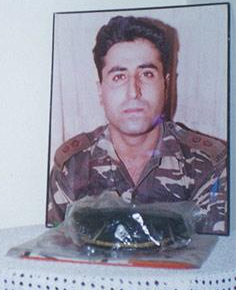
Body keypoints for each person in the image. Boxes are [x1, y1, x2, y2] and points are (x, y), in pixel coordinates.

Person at [47, 15, 227, 234]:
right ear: (100, 91)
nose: (134, 91)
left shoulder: (209, 165)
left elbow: (216, 258)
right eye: (118, 76)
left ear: (166, 85)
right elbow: (58, 251)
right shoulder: (72, 166)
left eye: (147, 74)